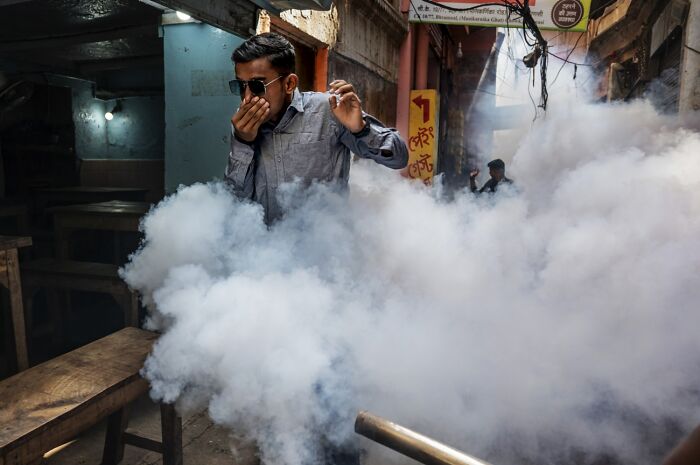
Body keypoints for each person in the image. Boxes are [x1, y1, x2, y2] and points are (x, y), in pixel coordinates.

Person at [225, 32, 408, 224]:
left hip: (324, 248)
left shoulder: (329, 109)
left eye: (256, 86)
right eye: (240, 86)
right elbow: (234, 200)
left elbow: (399, 158)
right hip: (266, 249)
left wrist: (361, 129)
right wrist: (242, 141)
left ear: (289, 83)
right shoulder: (245, 124)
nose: (247, 98)